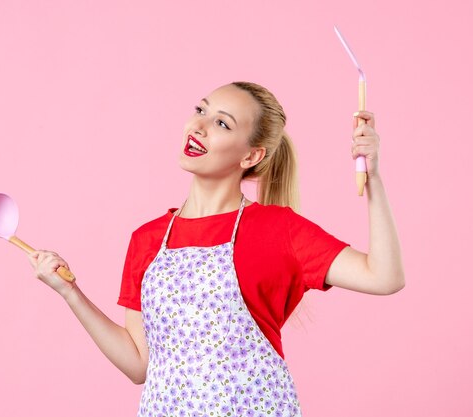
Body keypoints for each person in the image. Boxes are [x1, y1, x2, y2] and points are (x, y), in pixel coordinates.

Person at [28, 81, 405, 416]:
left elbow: (384, 276)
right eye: (200, 111)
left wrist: (373, 176)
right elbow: (140, 365)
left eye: (222, 123)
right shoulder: (147, 240)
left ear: (251, 156)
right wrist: (70, 292)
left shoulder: (279, 230)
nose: (199, 126)